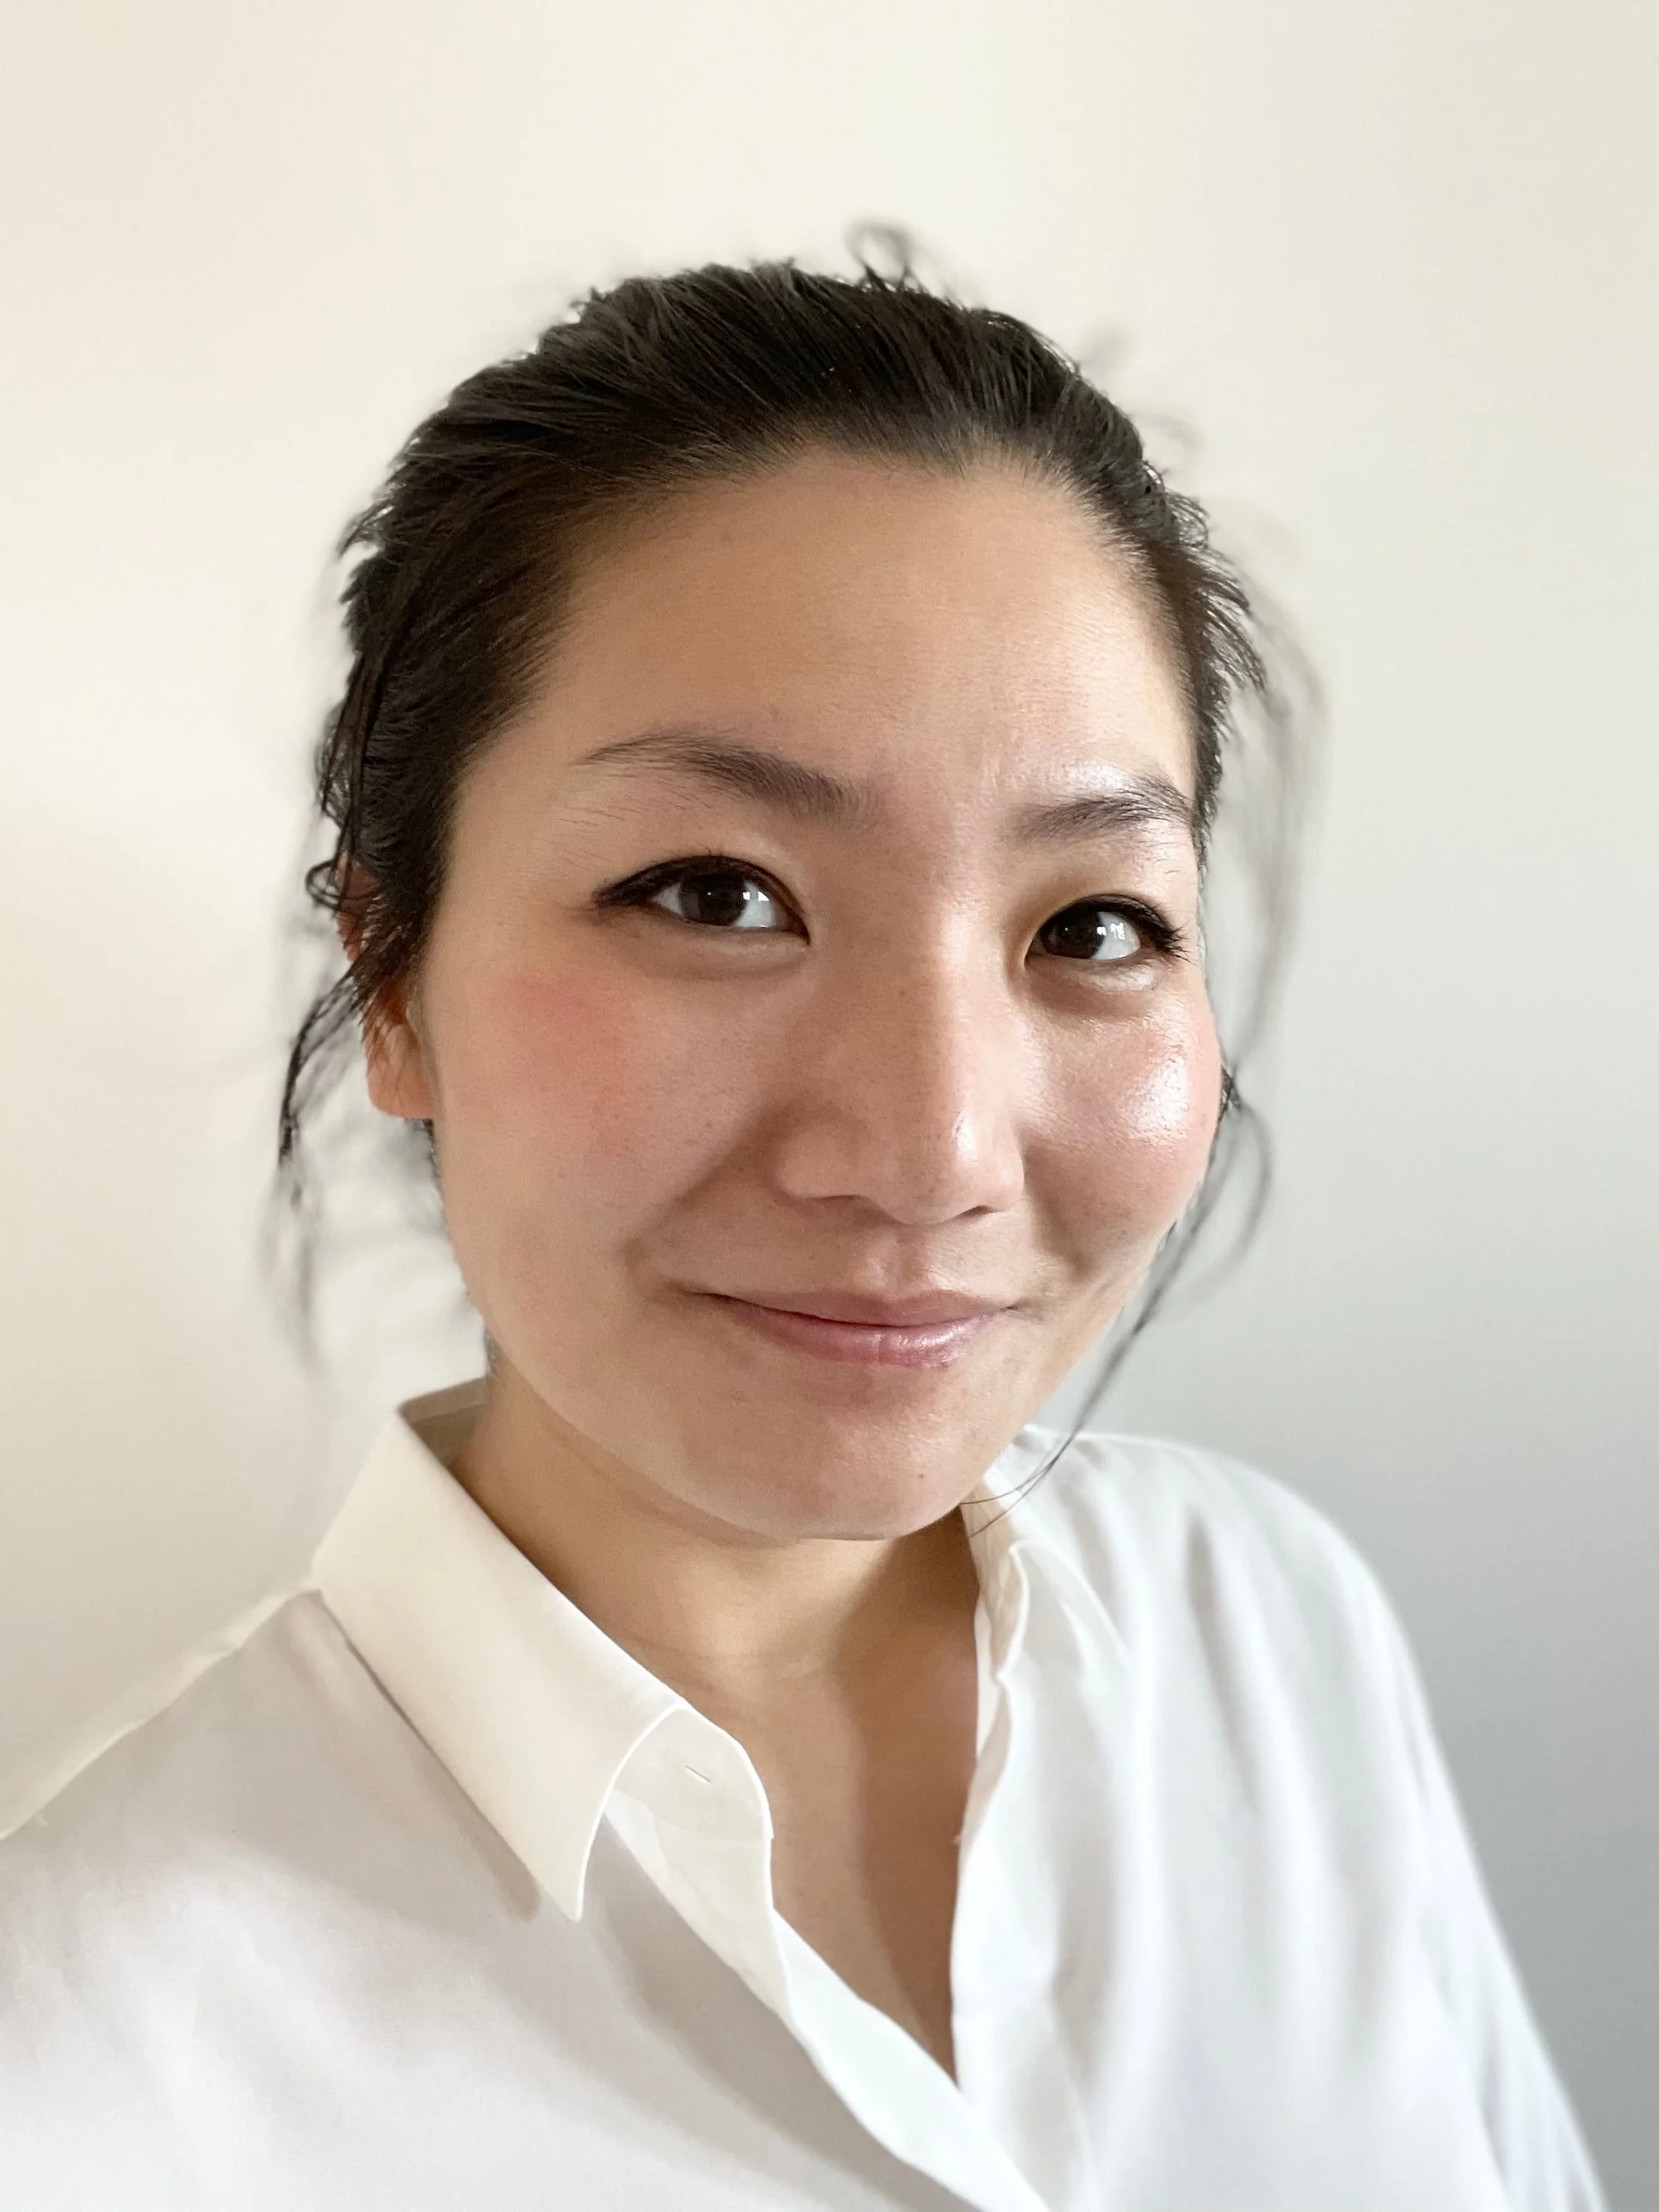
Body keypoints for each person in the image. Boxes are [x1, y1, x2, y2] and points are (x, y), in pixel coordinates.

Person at [0, 257, 1605, 2212]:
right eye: (713, 890)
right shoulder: (83, 2052)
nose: (928, 1152)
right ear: (395, 975)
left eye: (1091, 925)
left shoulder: (1262, 1628)